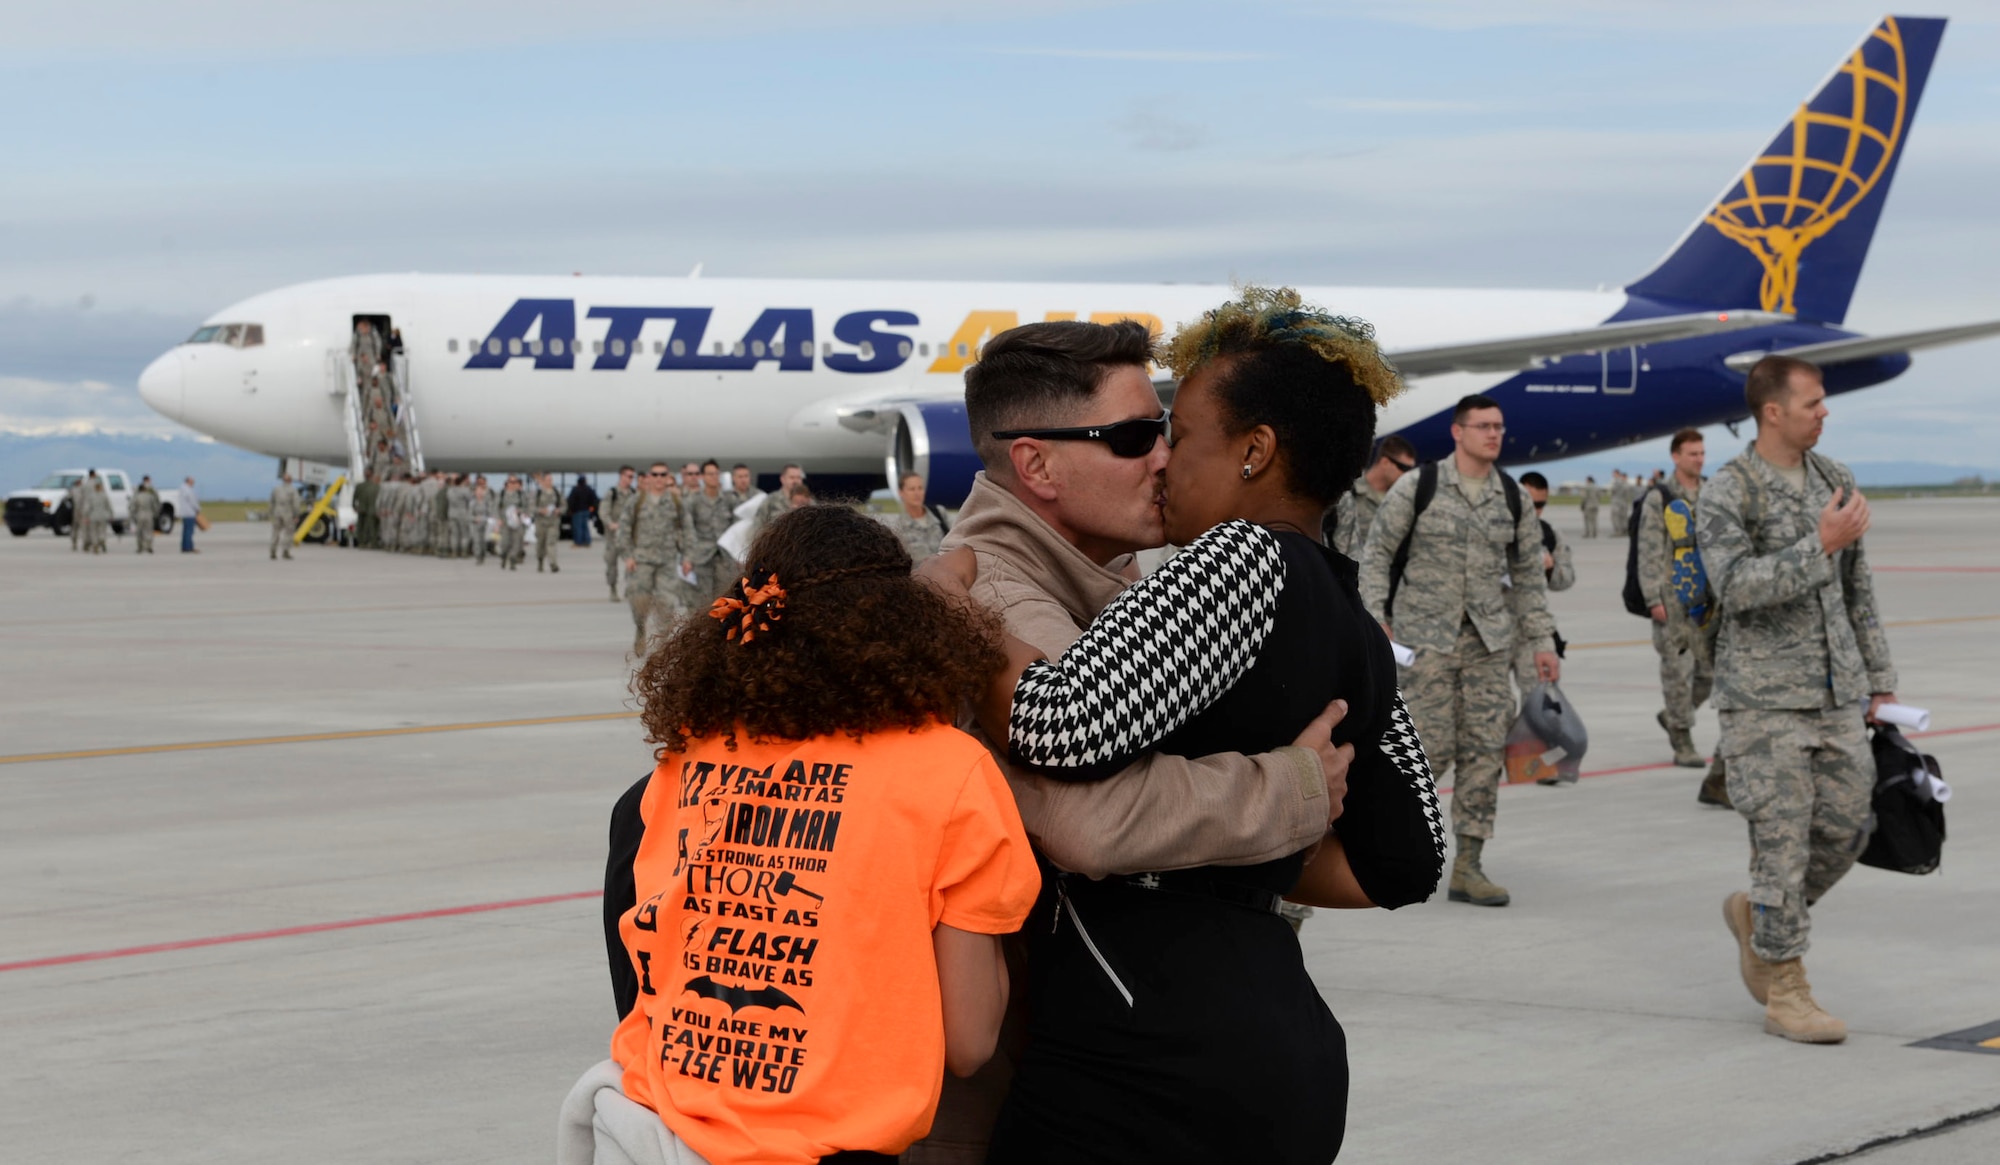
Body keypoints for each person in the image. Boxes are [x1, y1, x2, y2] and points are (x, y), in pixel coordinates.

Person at [969, 291, 1443, 1164]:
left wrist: (943, 614)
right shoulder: (1346, 607)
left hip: (1144, 1046)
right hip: (1275, 1033)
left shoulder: (1242, 555)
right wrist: (1261, 838)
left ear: (1255, 452)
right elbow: (1407, 858)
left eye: (1179, 436)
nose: (1163, 461)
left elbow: (1056, 720)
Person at [890, 318, 1354, 1162]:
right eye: (1136, 436)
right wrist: (1294, 788)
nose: (1167, 458)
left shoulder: (1106, 582)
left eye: (1167, 432)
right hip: (1001, 1099)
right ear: (1035, 464)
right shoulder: (991, 594)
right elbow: (1091, 820)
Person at [574, 506, 1040, 1165]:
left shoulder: (682, 761)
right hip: (825, 1147)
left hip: (654, 1127)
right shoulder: (950, 773)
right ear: (904, 621)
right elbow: (969, 1040)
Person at [1699, 355, 1895, 1045]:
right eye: (1812, 402)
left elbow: (1857, 586)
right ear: (1772, 411)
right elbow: (1734, 586)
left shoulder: (1833, 479)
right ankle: (1787, 989)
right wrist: (1818, 544)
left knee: (1848, 827)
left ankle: (1760, 918)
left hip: (1837, 688)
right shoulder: (1730, 489)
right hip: (1763, 700)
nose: (1824, 412)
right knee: (1780, 847)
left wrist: (1881, 678)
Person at [1361, 393, 1558, 908]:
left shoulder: (1512, 497)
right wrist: (1375, 619)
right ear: (1458, 431)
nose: (1494, 434)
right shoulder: (1419, 486)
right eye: (1483, 426)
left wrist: (1540, 641)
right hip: (1425, 641)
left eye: (1499, 426)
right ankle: (1391, 845)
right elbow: (1377, 554)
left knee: (1485, 752)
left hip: (1490, 644)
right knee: (1426, 750)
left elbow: (1528, 579)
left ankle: (1468, 864)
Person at [1639, 429, 1719, 773]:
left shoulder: (1712, 493)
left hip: (1707, 601)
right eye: (1691, 454)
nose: (1698, 459)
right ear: (1676, 457)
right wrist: (1652, 596)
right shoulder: (1661, 497)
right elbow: (1649, 550)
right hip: (1672, 601)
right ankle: (1682, 739)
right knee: (1678, 674)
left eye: (1701, 453)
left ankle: (1673, 715)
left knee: (1710, 674)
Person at [619, 461, 694, 653]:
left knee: (667, 603)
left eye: (663, 475)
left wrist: (687, 557)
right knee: (639, 601)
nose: (659, 478)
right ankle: (640, 629)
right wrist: (628, 556)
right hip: (641, 561)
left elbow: (688, 530)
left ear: (668, 477)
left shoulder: (677, 503)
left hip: (667, 562)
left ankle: (663, 645)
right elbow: (624, 530)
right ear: (649, 477)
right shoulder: (636, 502)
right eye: (655, 474)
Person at [1510, 471, 1573, 690]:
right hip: (1493, 631)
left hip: (1530, 631)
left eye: (1541, 505)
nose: (1535, 511)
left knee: (1537, 698)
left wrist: (1550, 568)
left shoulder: (1548, 533)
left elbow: (1566, 580)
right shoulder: (1497, 530)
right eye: (1531, 503)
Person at [1327, 434, 1416, 558]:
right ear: (1385, 462)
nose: (1408, 476)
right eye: (1404, 468)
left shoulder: (1400, 503)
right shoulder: (1347, 489)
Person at [683, 459, 734, 601]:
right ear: (702, 477)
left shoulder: (729, 500)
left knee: (724, 599)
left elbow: (736, 529)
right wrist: (687, 559)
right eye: (710, 474)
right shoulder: (693, 501)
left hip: (724, 558)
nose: (714, 477)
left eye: (716, 474)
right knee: (703, 601)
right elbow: (688, 531)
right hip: (701, 558)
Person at [879, 471, 946, 562]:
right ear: (901, 492)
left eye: (920, 488)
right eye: (912, 489)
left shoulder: (940, 514)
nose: (917, 493)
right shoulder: (898, 528)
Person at [600, 466, 637, 602]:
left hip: (628, 537)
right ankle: (613, 589)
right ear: (621, 476)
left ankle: (629, 588)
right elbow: (603, 511)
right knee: (612, 565)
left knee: (632, 564)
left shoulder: (634, 494)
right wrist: (610, 523)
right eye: (628, 476)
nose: (630, 479)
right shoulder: (612, 493)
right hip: (613, 536)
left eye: (632, 477)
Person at [751, 464, 805, 539]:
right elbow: (757, 527)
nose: (796, 481)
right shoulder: (770, 500)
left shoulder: (809, 502)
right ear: (782, 479)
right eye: (792, 477)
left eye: (798, 478)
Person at [533, 471, 564, 572]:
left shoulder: (557, 493)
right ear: (543, 481)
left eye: (551, 480)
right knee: (540, 544)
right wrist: (540, 510)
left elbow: (564, 506)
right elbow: (531, 507)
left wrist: (559, 510)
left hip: (553, 522)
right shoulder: (538, 493)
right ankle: (540, 561)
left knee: (551, 543)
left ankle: (553, 563)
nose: (549, 482)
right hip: (541, 523)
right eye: (547, 480)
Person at [497, 475, 527, 569]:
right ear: (507, 483)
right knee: (505, 543)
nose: (513, 484)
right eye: (511, 482)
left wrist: (520, 511)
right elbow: (496, 507)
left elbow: (525, 507)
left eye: (515, 482)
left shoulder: (520, 495)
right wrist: (498, 519)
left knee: (516, 542)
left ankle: (513, 560)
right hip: (505, 522)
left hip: (516, 522)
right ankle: (504, 556)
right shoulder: (502, 494)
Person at [269, 473, 300, 560]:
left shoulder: (276, 489)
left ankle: (272, 552)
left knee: (275, 532)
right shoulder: (293, 490)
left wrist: (271, 513)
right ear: (290, 480)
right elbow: (296, 503)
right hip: (288, 513)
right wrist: (296, 515)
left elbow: (271, 502)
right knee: (288, 533)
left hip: (277, 512)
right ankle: (285, 552)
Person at [567, 473, 598, 548]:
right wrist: (592, 507)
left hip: (577, 511)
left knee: (578, 527)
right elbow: (595, 499)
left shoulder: (575, 489)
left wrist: (570, 510)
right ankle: (587, 542)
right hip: (586, 511)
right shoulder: (589, 489)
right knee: (585, 527)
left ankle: (578, 542)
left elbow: (571, 500)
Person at [130, 476, 160, 554]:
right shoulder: (151, 494)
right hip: (149, 514)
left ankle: (140, 547)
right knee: (149, 531)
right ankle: (149, 546)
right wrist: (156, 514)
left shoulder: (137, 496)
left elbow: (133, 506)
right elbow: (156, 503)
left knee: (139, 532)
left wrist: (132, 515)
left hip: (139, 514)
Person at [84, 477, 113, 553]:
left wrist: (86, 516)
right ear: (101, 487)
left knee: (93, 532)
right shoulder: (104, 496)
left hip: (93, 516)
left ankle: (95, 544)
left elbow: (87, 508)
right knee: (102, 531)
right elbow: (109, 506)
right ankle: (102, 540)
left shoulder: (91, 496)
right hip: (103, 516)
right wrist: (111, 514)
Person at [178, 477, 201, 553]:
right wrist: (198, 509)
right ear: (188, 481)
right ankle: (188, 547)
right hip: (190, 513)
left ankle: (184, 547)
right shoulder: (188, 490)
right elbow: (193, 501)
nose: (193, 484)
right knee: (189, 531)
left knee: (185, 531)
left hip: (184, 513)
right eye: (192, 482)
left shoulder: (182, 489)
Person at [67, 473, 89, 552]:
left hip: (83, 512)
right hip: (75, 512)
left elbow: (86, 501)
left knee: (84, 529)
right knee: (75, 529)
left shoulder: (84, 489)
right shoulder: (73, 489)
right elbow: (68, 498)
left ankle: (85, 544)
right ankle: (74, 543)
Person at [1610, 469, 1634, 536]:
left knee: (1616, 517)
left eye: (1614, 473)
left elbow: (1613, 491)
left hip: (1617, 502)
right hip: (1623, 502)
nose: (1613, 475)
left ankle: (1618, 531)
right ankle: (1624, 531)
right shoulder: (1624, 482)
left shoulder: (1617, 482)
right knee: (1623, 517)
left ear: (1617, 474)